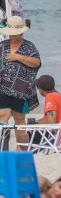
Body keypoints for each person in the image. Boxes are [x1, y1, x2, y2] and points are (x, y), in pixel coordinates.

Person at [0, 16, 41, 149]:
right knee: (3, 116)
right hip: (2, 88)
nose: (13, 37)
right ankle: (3, 150)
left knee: (19, 122)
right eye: (11, 35)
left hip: (21, 90)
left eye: (16, 34)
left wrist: (18, 57)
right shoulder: (2, 45)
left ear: (22, 32)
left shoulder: (29, 47)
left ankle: (23, 152)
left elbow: (36, 63)